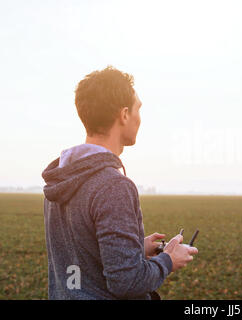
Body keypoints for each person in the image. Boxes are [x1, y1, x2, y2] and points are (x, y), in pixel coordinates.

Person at [41, 65, 198, 299]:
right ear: (124, 114)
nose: (139, 118)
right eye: (138, 109)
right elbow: (127, 282)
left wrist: (133, 251)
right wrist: (168, 260)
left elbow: (77, 261)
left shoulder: (61, 178)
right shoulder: (113, 186)